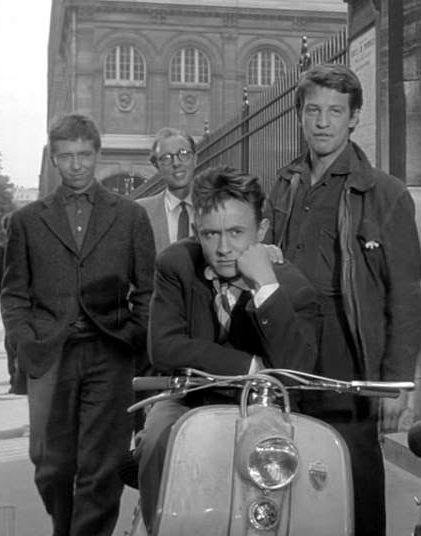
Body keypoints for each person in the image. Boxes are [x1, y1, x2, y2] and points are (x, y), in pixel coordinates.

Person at [264, 63, 421, 536]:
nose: (323, 122)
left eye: (336, 111)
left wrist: (395, 383)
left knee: (354, 470)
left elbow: (406, 295)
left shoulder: (385, 193)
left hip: (346, 345)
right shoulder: (285, 182)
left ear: (354, 118)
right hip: (287, 340)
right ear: (299, 116)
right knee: (287, 466)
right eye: (313, 110)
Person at [136, 165, 318, 532]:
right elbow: (164, 348)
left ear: (262, 231)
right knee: (157, 437)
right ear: (196, 231)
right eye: (210, 234)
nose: (222, 248)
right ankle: (160, 527)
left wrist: (265, 285)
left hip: (262, 408)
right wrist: (252, 365)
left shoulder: (292, 288)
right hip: (188, 397)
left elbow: (297, 368)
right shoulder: (176, 263)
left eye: (237, 232)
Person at [0, 113, 156, 536]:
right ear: (54, 158)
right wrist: (24, 339)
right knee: (52, 467)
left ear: (97, 154)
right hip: (51, 354)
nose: (76, 165)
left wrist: (136, 341)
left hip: (111, 351)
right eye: (66, 156)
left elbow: (147, 290)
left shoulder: (130, 217)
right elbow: (13, 293)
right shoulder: (28, 221)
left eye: (84, 155)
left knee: (101, 468)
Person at [137, 127, 198, 254]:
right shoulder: (140, 212)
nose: (176, 163)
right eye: (166, 158)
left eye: (183, 154)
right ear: (157, 166)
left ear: (195, 159)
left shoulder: (215, 205)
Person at [0, 212, 26, 394]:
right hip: (26, 298)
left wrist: (1, 297)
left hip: (9, 299)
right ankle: (21, 378)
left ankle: (16, 378)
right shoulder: (28, 246)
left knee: (12, 337)